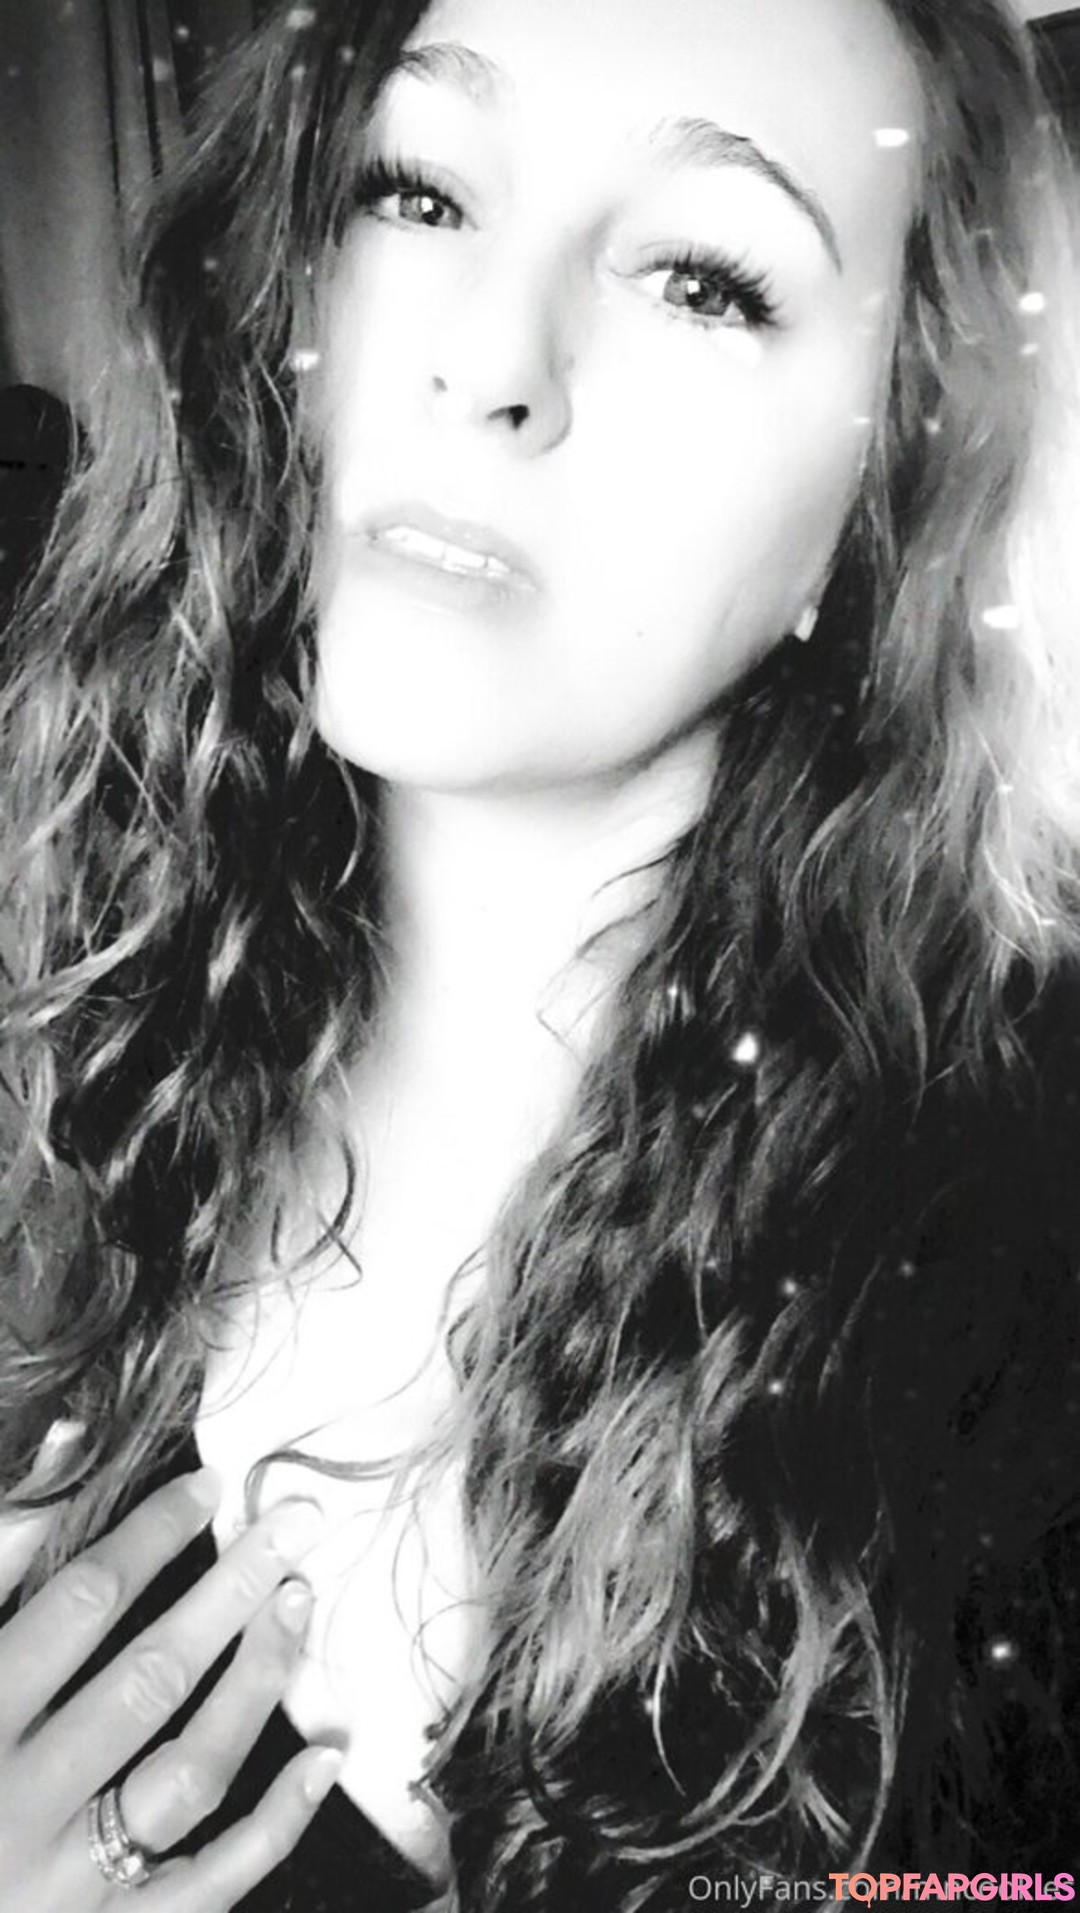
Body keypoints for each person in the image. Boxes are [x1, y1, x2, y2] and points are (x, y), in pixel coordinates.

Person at [1, 0, 1080, 1905]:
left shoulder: (1014, 1372)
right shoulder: (56, 1032)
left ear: (884, 501)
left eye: (706, 280)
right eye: (417, 188)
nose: (493, 358)